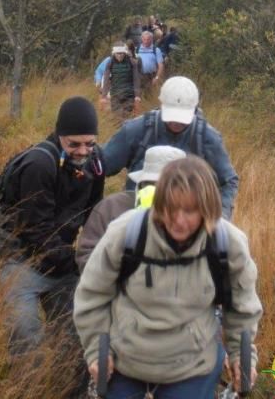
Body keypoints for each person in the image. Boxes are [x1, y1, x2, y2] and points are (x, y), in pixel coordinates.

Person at [73, 155, 262, 399]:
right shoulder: (126, 234)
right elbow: (92, 295)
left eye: (190, 210)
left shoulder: (228, 245)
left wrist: (240, 356)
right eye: (171, 208)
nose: (179, 221)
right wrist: (96, 350)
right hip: (125, 363)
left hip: (192, 368)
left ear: (208, 209)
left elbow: (242, 307)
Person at [0, 97, 105, 394]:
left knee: (77, 337)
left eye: (89, 143)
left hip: (63, 265)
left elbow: (93, 215)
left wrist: (90, 260)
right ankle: (26, 391)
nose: (82, 151)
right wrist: (77, 262)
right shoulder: (38, 165)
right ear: (59, 136)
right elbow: (37, 231)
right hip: (23, 263)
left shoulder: (97, 163)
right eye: (74, 144)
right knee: (26, 334)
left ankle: (74, 393)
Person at [102, 75, 238, 219]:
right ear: (162, 105)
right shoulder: (137, 130)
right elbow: (102, 164)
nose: (176, 123)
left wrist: (221, 218)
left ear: (195, 108)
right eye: (171, 116)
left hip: (186, 222)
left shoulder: (207, 138)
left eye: (182, 117)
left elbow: (228, 181)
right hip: (137, 216)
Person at [76, 145, 186, 274]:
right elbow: (86, 255)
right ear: (141, 182)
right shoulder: (112, 206)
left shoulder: (192, 216)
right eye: (152, 184)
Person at [100, 41, 141, 117]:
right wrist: (104, 96)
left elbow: (136, 79)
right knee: (117, 115)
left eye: (121, 53)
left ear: (125, 53)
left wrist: (137, 95)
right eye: (117, 53)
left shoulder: (132, 62)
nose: (119, 55)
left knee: (126, 115)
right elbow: (106, 79)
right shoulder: (110, 62)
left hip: (129, 94)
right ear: (114, 53)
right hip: (115, 94)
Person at [137, 30, 164, 95]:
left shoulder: (156, 50)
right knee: (139, 95)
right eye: (144, 39)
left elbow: (161, 65)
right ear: (141, 39)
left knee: (150, 94)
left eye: (148, 39)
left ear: (151, 39)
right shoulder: (136, 49)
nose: (146, 41)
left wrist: (157, 78)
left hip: (151, 76)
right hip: (139, 76)